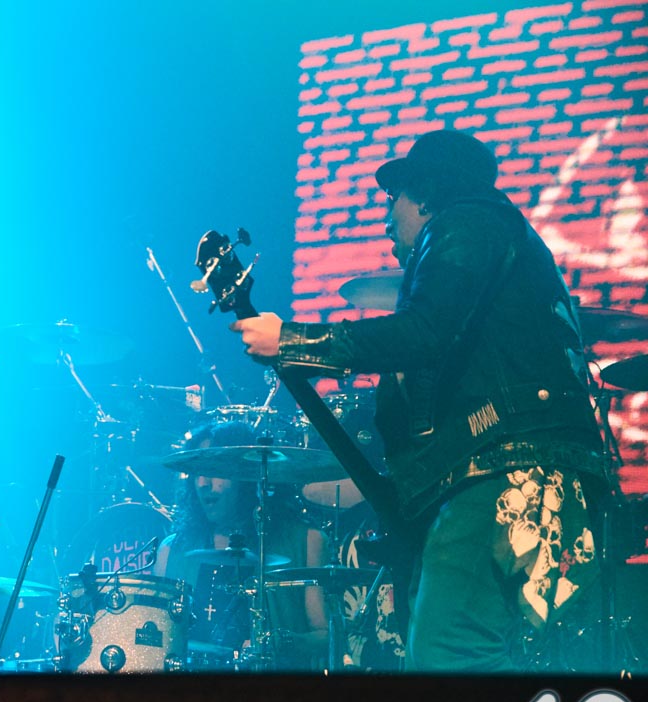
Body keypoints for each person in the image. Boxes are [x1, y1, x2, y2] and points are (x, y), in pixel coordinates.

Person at [235, 129, 607, 672]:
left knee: (447, 652)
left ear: (427, 195)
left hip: (508, 466)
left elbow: (424, 331)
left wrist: (293, 340)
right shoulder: (498, 233)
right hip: (525, 466)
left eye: (394, 199)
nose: (387, 219)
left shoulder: (465, 222)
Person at [155, 419, 329, 669]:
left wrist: (283, 642)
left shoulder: (307, 541)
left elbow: (325, 635)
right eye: (197, 472)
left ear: (246, 474)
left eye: (215, 469)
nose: (203, 483)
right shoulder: (170, 551)